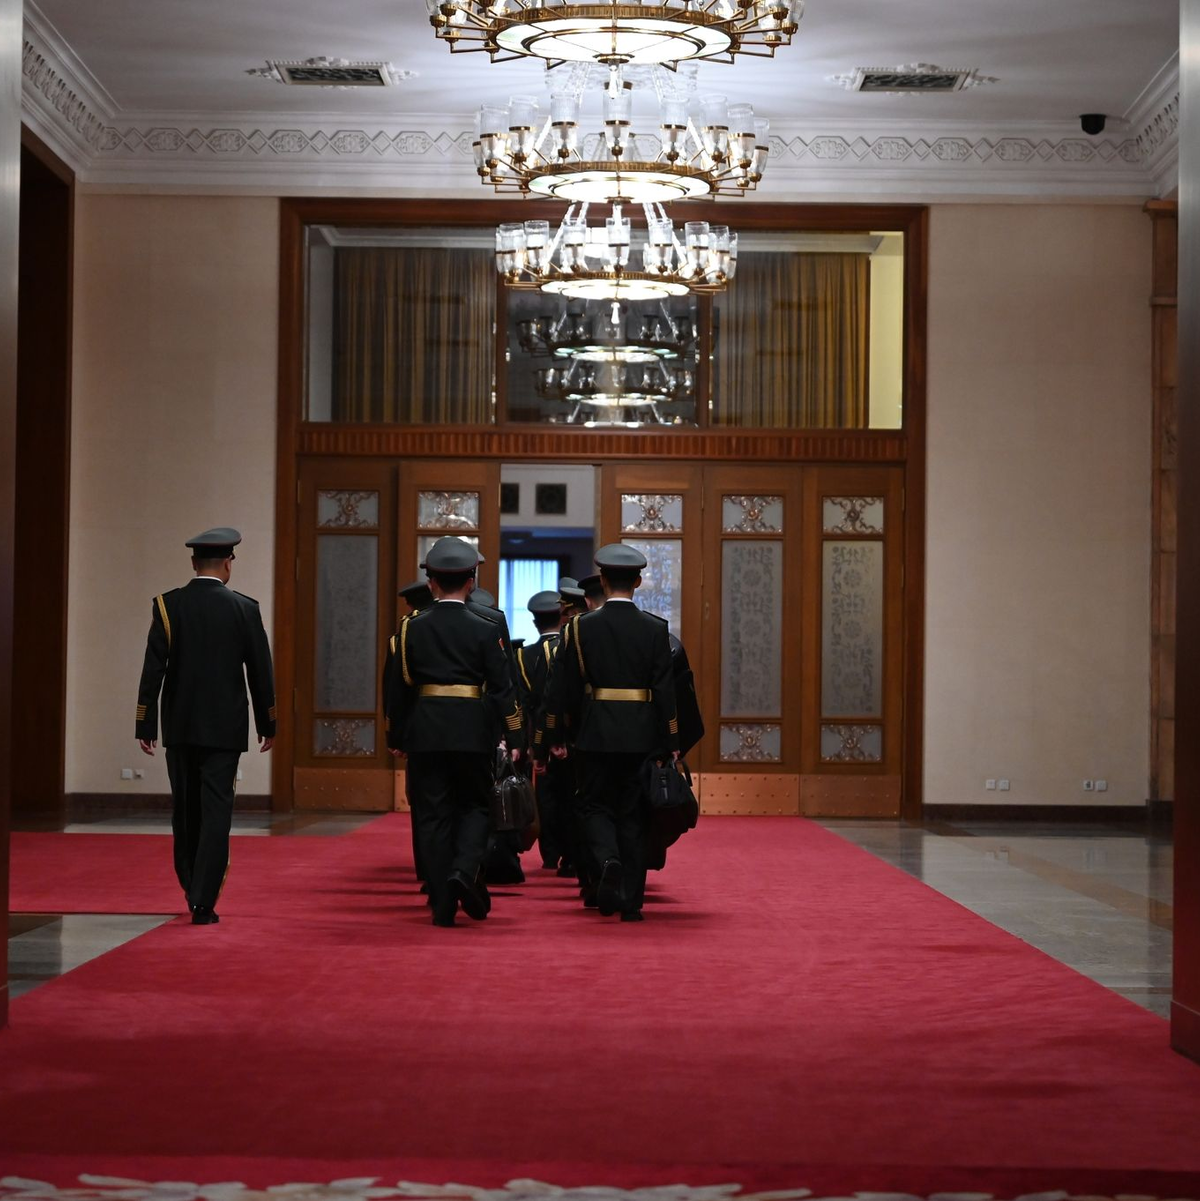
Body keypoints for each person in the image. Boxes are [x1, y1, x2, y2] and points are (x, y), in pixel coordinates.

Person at [135, 527, 276, 925]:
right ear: (228, 563)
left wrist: (145, 724)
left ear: (193, 563)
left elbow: (153, 671)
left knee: (185, 809)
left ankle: (189, 882)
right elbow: (260, 673)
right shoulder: (244, 609)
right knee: (217, 811)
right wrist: (268, 722)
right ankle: (204, 899)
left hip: (179, 726)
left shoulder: (168, 606)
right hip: (225, 729)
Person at [386, 536, 525, 927]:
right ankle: (464, 869)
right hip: (472, 730)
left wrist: (397, 736)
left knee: (432, 815)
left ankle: (443, 905)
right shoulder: (486, 625)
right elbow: (502, 687)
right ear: (471, 581)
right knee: (475, 806)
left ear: (431, 583)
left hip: (426, 731)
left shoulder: (411, 627)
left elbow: (400, 686)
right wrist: (514, 736)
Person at [543, 544, 678, 922]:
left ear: (602, 580)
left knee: (593, 805)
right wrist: (671, 742)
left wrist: (557, 735)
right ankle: (632, 902)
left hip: (594, 732)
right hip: (641, 733)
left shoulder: (579, 629)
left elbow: (563, 689)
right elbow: (665, 693)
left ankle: (607, 860)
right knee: (634, 814)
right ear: (637, 581)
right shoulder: (656, 629)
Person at [384, 579, 434, 893]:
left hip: (420, 728)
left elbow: (393, 694)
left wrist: (395, 736)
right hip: (464, 726)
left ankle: (428, 867)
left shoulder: (403, 635)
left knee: (424, 802)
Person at [519, 590, 567, 871]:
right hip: (566, 735)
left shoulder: (524, 655)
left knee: (546, 796)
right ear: (562, 617)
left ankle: (549, 853)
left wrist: (533, 744)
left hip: (536, 733)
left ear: (535, 622)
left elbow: (526, 704)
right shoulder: (570, 647)